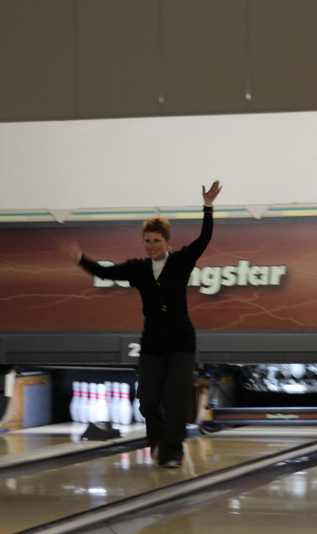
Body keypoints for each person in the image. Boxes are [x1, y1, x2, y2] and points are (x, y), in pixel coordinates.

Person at [66, 181, 222, 467]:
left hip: (181, 341)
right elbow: (106, 272)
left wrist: (208, 206)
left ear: (167, 242)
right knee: (147, 400)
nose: (151, 246)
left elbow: (204, 239)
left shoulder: (181, 262)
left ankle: (173, 452)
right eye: (147, 241)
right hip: (152, 342)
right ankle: (158, 439)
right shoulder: (137, 269)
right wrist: (80, 260)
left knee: (176, 401)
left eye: (156, 241)